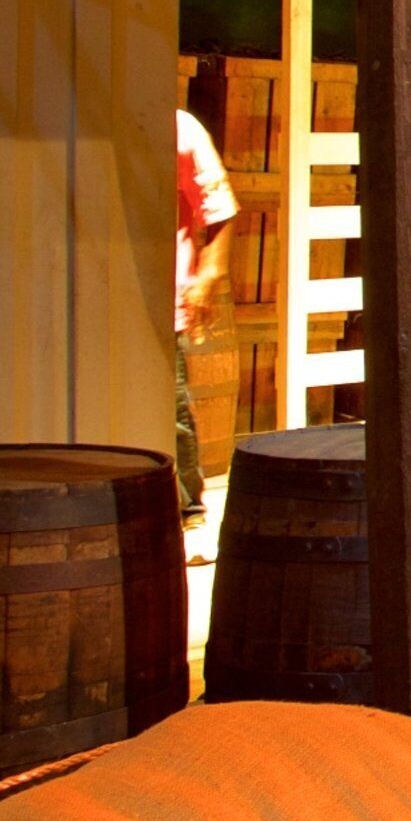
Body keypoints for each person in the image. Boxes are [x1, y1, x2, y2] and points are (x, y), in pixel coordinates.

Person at [175, 106, 239, 533]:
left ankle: (189, 515)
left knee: (172, 408)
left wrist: (210, 272)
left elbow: (218, 204)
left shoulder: (178, 126)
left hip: (166, 294)